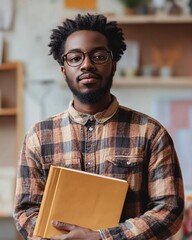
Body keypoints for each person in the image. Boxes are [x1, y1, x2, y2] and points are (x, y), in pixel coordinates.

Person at [13, 13, 184, 240]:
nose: (87, 64)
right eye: (75, 58)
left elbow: (169, 210)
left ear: (113, 64)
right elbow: (25, 211)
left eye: (98, 56)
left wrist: (103, 237)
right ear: (63, 69)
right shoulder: (38, 136)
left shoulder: (150, 133)